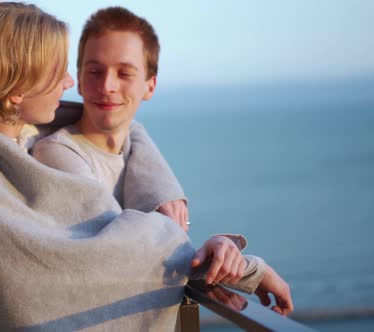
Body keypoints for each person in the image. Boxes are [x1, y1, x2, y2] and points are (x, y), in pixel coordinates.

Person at [0, 2, 290, 331]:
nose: (69, 82)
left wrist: (158, 183)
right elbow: (92, 261)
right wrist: (244, 268)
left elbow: (124, 132)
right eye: (58, 72)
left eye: (125, 73)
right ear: (18, 86)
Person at [32, 6, 293, 316]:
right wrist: (246, 269)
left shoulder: (134, 151)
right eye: (94, 71)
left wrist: (215, 257)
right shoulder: (54, 153)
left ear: (150, 85)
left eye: (124, 73)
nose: (107, 86)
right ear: (79, 79)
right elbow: (122, 252)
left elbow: (153, 245)